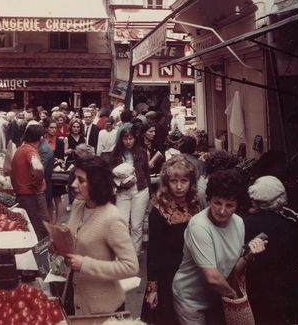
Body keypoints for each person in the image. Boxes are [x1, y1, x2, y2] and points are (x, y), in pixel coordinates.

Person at [172, 169, 267, 325]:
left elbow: (233, 270)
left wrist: (249, 255)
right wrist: (235, 298)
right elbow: (212, 278)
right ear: (209, 200)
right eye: (217, 203)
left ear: (237, 205)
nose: (222, 211)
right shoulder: (199, 226)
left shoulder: (238, 223)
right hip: (191, 300)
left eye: (229, 205)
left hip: (218, 298)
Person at [64, 156, 139, 316]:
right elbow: (76, 239)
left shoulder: (112, 218)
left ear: (96, 183)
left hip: (102, 308)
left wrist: (85, 264)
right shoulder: (79, 205)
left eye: (81, 180)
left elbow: (131, 267)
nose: (73, 185)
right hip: (75, 298)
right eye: (74, 179)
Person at [245, 176, 298, 325]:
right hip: (278, 294)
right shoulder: (284, 226)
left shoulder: (246, 223)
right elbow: (290, 270)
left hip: (253, 290)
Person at [141, 156, 200, 325]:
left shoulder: (196, 206)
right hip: (167, 276)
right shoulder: (159, 211)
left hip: (192, 272)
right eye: (174, 181)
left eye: (184, 180)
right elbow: (153, 252)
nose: (180, 186)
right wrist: (153, 288)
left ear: (191, 182)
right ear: (166, 183)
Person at [110, 125, 151, 255]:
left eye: (131, 138)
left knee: (136, 226)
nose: (128, 141)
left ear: (135, 138)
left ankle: (135, 254)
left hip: (140, 190)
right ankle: (122, 253)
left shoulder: (142, 152)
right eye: (125, 138)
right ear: (121, 139)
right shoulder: (115, 153)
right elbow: (110, 175)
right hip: (123, 192)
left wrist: (149, 192)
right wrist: (120, 185)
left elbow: (146, 173)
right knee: (121, 223)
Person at [10, 123, 49, 240]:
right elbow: (38, 167)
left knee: (31, 228)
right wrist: (38, 182)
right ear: (41, 138)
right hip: (32, 197)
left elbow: (7, 167)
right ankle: (42, 257)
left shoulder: (20, 148)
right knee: (41, 231)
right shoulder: (30, 151)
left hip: (23, 196)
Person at [44, 118, 65, 224]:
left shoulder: (60, 142)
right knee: (48, 198)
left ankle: (58, 222)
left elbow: (62, 158)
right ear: (46, 128)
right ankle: (50, 222)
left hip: (56, 173)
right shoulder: (42, 141)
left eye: (55, 128)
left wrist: (58, 160)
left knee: (57, 198)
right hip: (45, 173)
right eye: (51, 128)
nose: (53, 130)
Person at [64, 118, 86, 212]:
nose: (76, 128)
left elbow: (86, 150)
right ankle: (70, 201)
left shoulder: (83, 138)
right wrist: (69, 151)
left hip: (81, 162)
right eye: (74, 127)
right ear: (71, 127)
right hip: (71, 162)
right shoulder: (67, 138)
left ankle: (81, 201)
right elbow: (65, 151)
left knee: (81, 182)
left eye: (78, 127)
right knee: (70, 182)